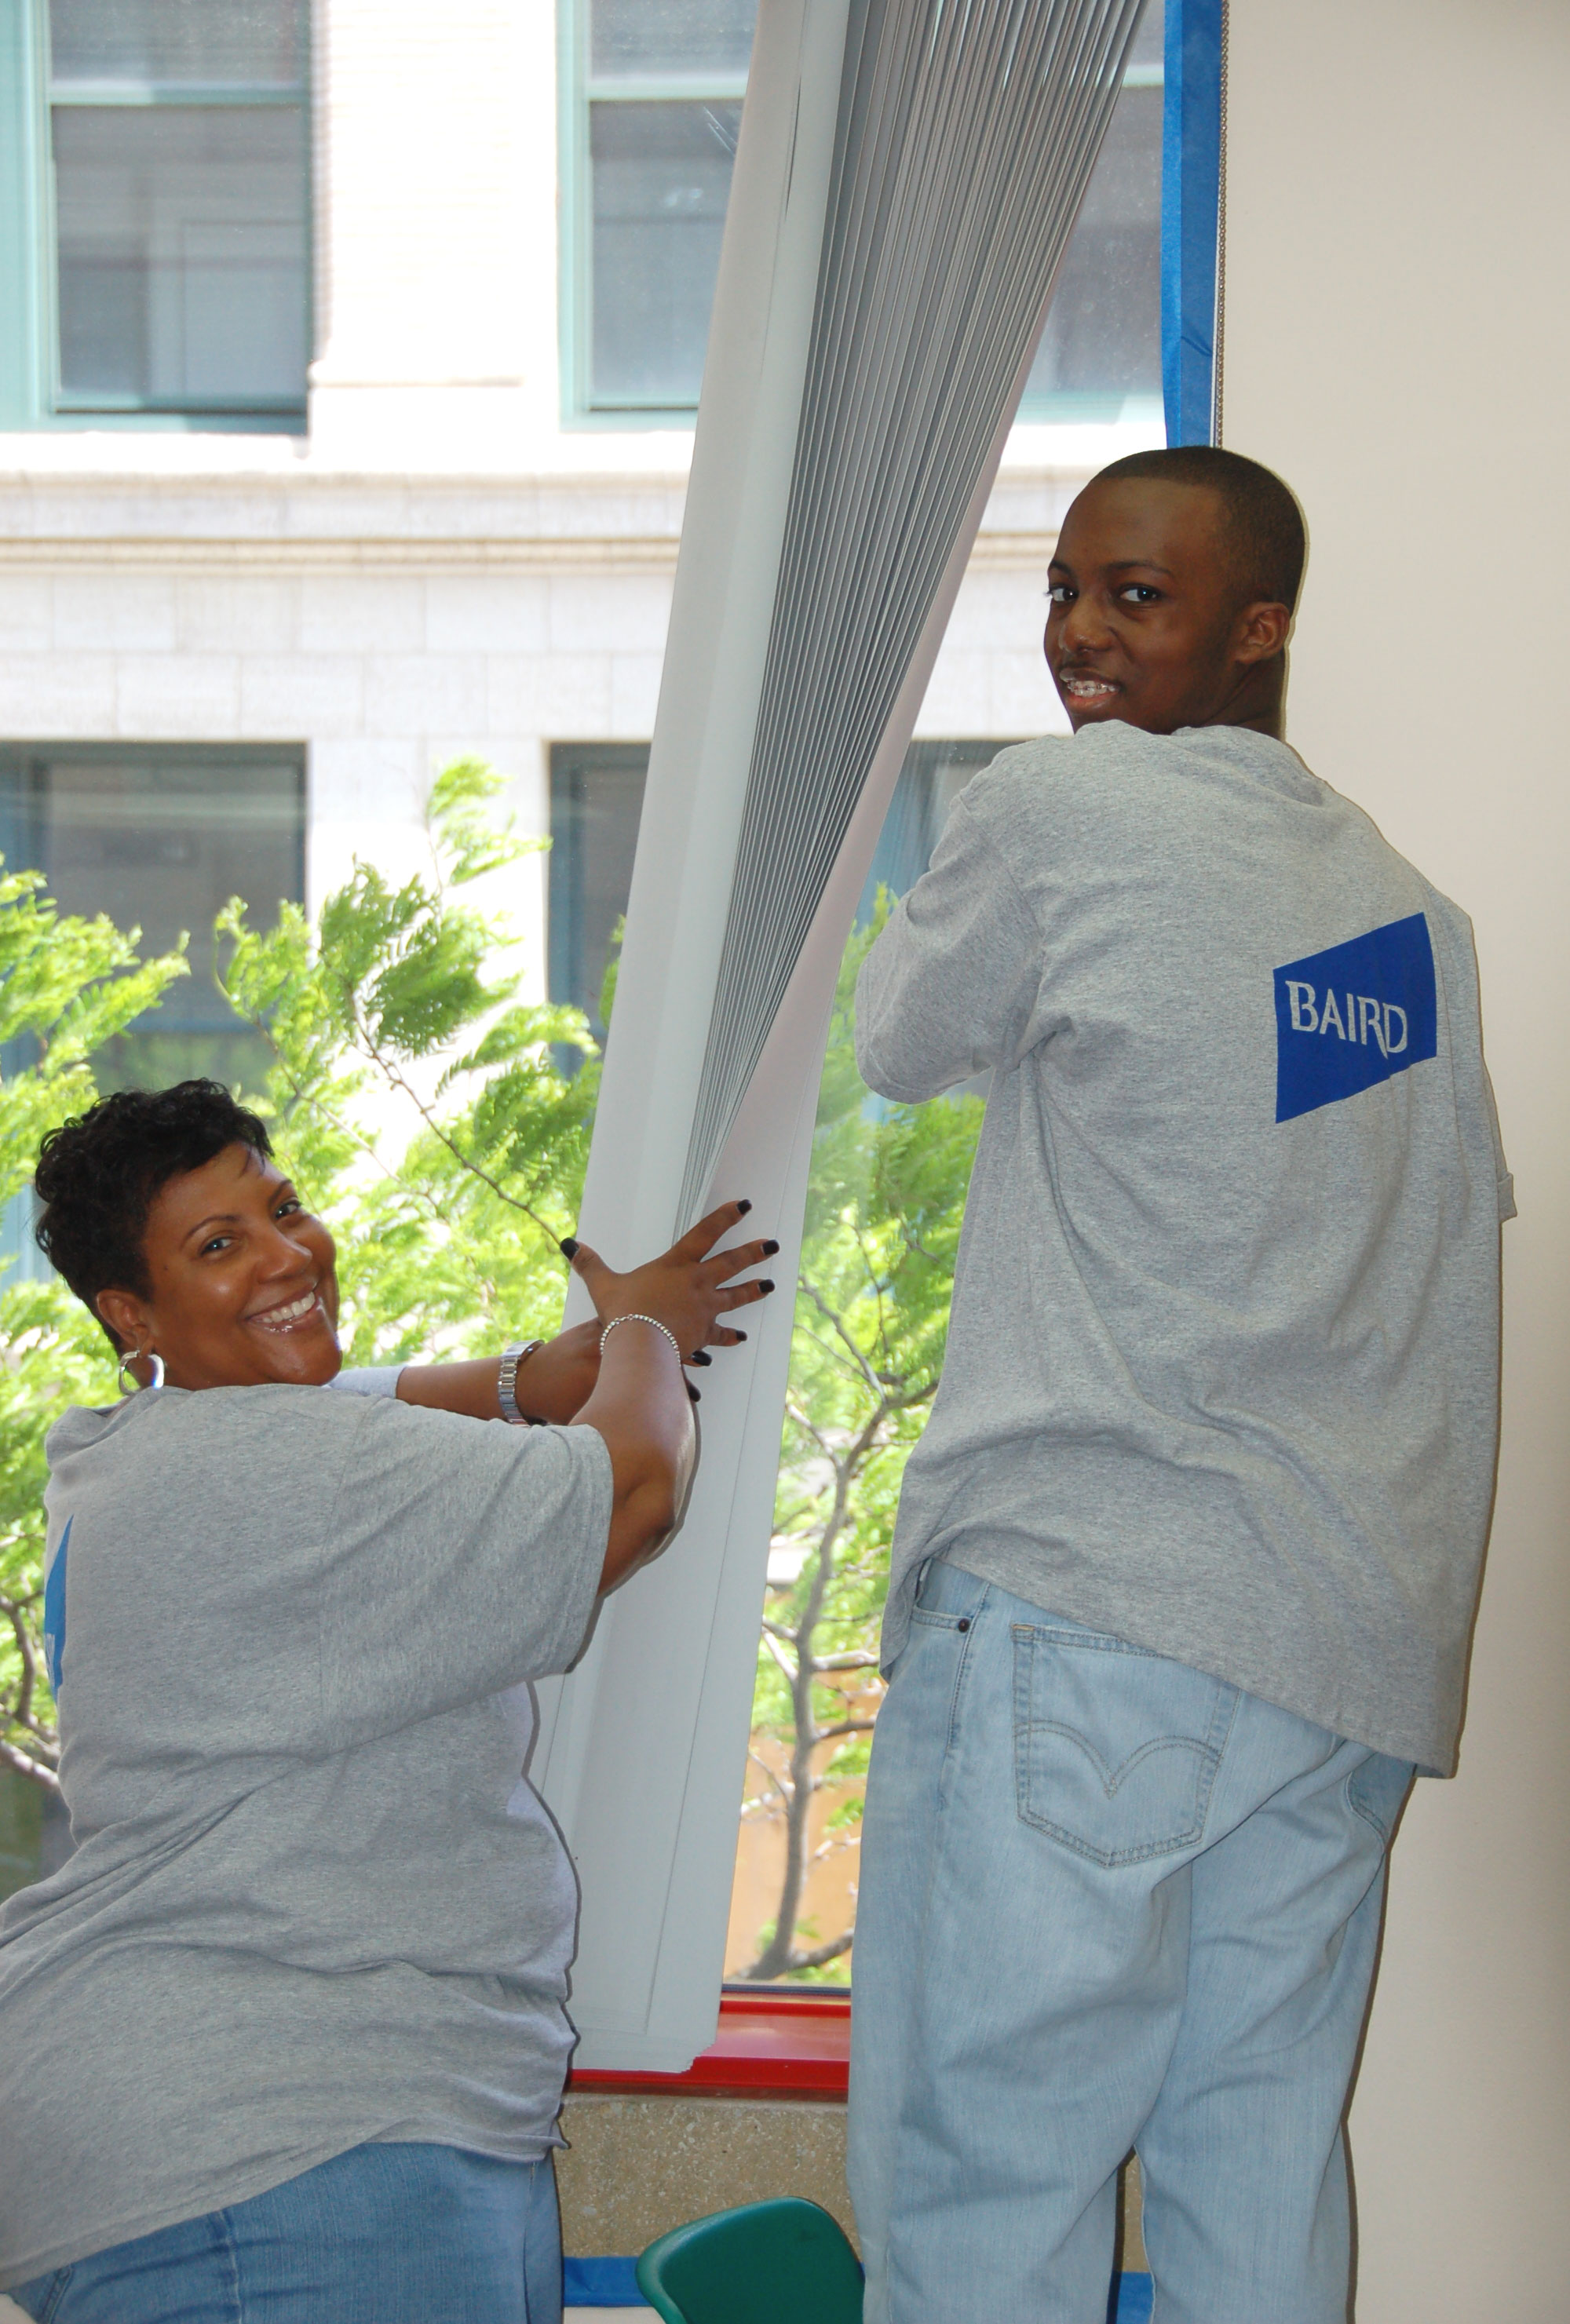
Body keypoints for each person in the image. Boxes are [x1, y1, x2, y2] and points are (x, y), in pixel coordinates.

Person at [845, 447, 1513, 2324]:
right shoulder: (1411, 927)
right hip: (1340, 1653)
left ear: (1259, 625)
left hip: (1098, 1601)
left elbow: (900, 1038)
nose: (1074, 636)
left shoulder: (1064, 813)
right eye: (1060, 591)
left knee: (991, 2171)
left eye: (1133, 596)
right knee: (1256, 2159)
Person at [0, 1078, 776, 2322]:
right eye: (219, 1245)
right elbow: (634, 1489)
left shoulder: (127, 1450)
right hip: (282, 2151)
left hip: (252, 2136)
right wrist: (642, 1332)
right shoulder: (269, 1470)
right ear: (128, 1313)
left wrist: (531, 1372)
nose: (287, 1255)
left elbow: (367, 1401)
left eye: (283, 1208)